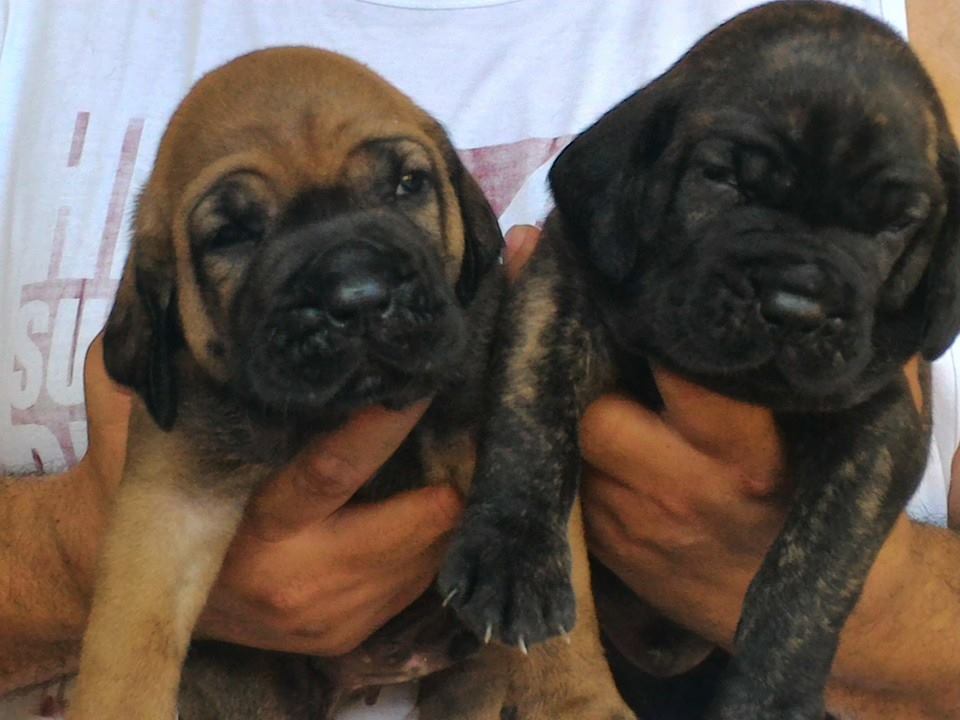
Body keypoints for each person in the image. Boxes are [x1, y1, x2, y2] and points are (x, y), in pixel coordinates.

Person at [0, 0, 956, 718]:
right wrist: (73, 556)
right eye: (236, 231)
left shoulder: (925, 40)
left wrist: (865, 609)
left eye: (405, 187)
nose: (356, 290)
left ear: (467, 214)